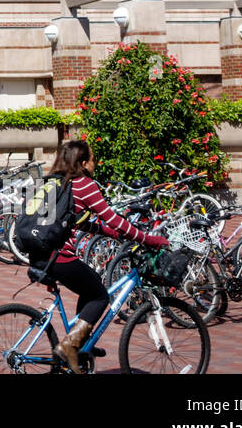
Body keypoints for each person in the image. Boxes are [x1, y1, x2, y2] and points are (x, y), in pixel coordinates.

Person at [36, 139, 168, 373]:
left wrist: (108, 233)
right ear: (83, 163)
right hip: (60, 258)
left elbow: (75, 221)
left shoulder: (53, 182)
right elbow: (113, 218)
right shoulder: (84, 184)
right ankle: (71, 346)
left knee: (90, 287)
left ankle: (80, 342)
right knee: (99, 296)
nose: (95, 164)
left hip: (38, 255)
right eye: (93, 159)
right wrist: (149, 239)